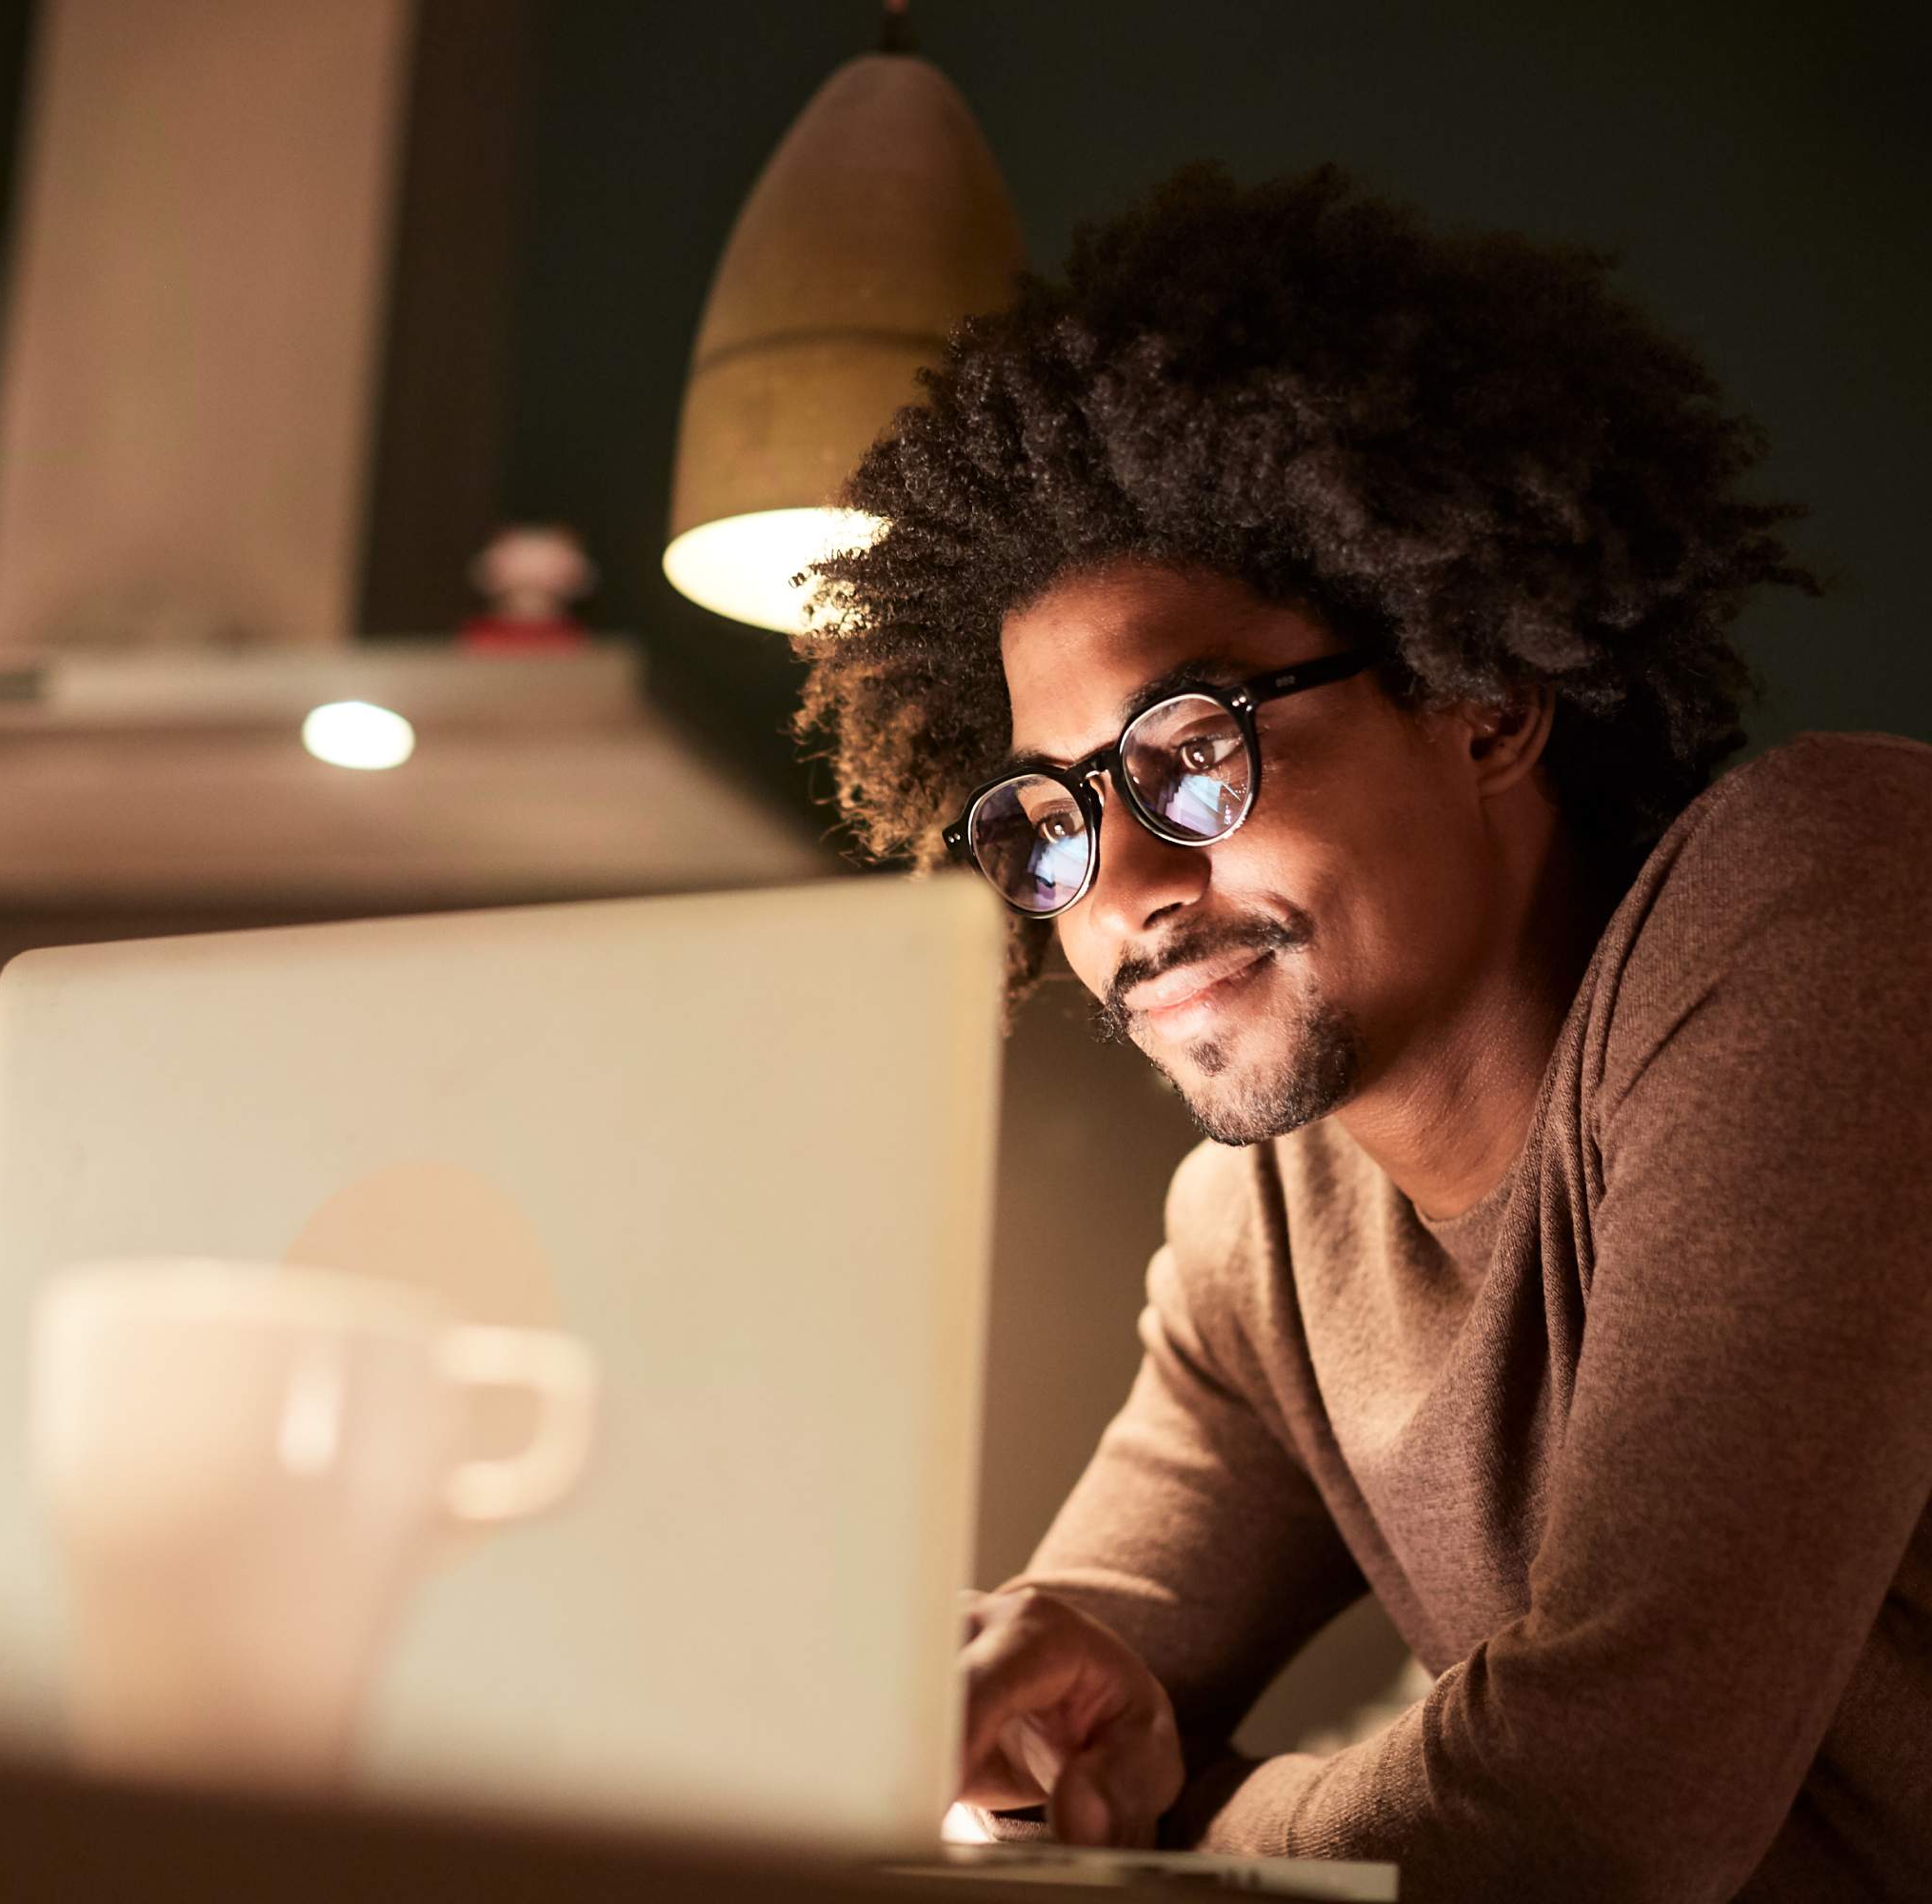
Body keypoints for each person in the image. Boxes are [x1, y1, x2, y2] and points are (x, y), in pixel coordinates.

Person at [794, 165, 1931, 1900]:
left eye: (1187, 754)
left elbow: (1598, 1815)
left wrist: (1205, 1814)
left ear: (1480, 696)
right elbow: (1039, 1736)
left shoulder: (1832, 900)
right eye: (1051, 818)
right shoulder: (1264, 1236)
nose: (1128, 889)